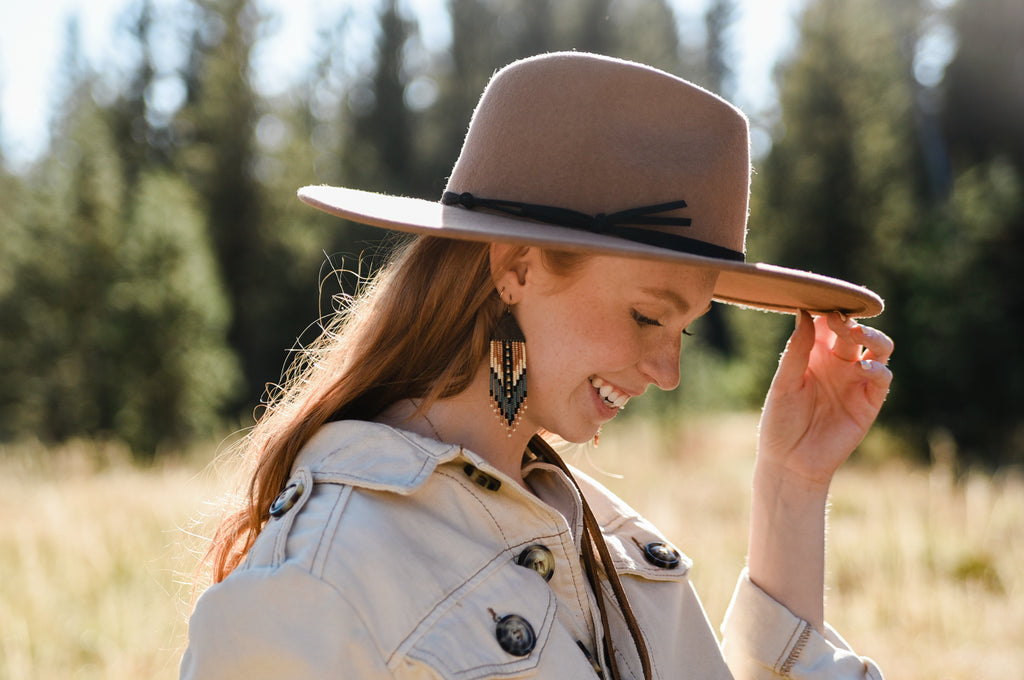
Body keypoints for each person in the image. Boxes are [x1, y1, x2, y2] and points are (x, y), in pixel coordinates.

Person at [180, 52, 893, 680]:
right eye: (648, 316)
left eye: (684, 329)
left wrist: (792, 488)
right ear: (516, 267)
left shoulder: (612, 545)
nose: (669, 371)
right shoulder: (321, 581)